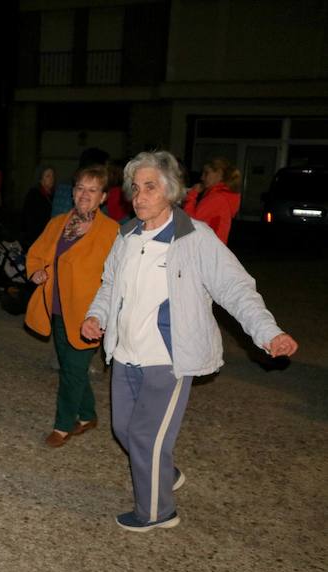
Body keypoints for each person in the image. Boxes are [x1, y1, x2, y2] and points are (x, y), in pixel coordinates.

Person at [81, 150, 298, 532]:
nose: (140, 195)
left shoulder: (195, 238)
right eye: (136, 187)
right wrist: (96, 316)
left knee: (146, 436)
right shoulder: (127, 234)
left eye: (150, 187)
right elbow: (110, 284)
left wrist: (268, 332)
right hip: (125, 353)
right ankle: (164, 472)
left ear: (170, 191)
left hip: (168, 358)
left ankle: (157, 513)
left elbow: (235, 289)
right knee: (125, 430)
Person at [25, 165, 119, 447]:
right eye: (80, 188)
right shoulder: (58, 224)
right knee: (70, 365)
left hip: (88, 314)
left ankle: (63, 425)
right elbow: (36, 254)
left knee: (72, 370)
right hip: (56, 307)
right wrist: (36, 272)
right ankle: (88, 415)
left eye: (92, 190)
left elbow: (117, 275)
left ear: (103, 197)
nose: (84, 195)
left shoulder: (112, 232)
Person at [182, 157, 241, 245]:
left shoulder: (217, 198)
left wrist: (192, 195)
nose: (202, 177)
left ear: (219, 174)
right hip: (212, 247)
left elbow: (191, 222)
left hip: (207, 247)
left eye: (206, 173)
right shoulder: (221, 195)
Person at [20, 165, 55, 251]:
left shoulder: (52, 195)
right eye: (48, 176)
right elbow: (29, 218)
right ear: (40, 179)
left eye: (53, 176)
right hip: (35, 238)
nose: (51, 178)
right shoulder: (34, 194)